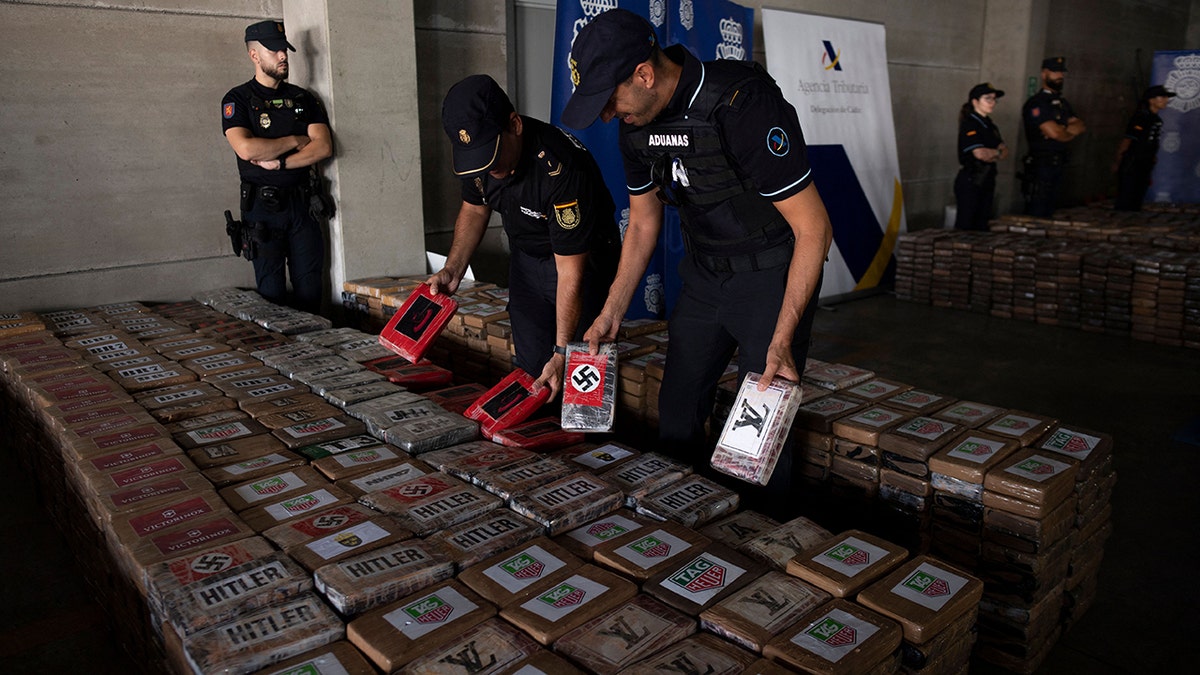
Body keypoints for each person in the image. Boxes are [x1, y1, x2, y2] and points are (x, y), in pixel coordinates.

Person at [563, 9, 832, 518]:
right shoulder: (634, 125)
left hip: (769, 278)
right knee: (678, 412)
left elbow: (814, 228)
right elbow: (643, 223)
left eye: (608, 100)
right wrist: (611, 311)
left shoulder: (742, 105)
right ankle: (680, 536)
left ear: (644, 74)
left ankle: (761, 545)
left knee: (760, 441)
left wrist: (782, 337)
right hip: (706, 276)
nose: (604, 116)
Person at [429, 75, 620, 396]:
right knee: (533, 374)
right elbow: (475, 209)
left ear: (515, 125)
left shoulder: (561, 169)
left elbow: (570, 272)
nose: (488, 169)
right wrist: (453, 269)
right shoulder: (479, 159)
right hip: (527, 261)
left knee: (582, 382)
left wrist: (562, 351)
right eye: (477, 159)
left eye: (492, 155)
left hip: (584, 263)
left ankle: (590, 444)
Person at [221, 20, 332, 313]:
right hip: (262, 208)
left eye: (284, 49)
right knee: (271, 294)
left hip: (303, 204)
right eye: (274, 51)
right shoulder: (238, 99)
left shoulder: (302, 98)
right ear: (254, 55)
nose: (283, 56)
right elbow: (246, 148)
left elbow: (323, 146)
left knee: (310, 290)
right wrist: (297, 139)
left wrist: (280, 161)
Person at [1021, 57, 1086, 217]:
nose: (1060, 76)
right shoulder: (1037, 103)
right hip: (1041, 165)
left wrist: (1064, 131)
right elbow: (1055, 133)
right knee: (1038, 210)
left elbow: (1080, 125)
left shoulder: (1063, 103)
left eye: (1061, 72)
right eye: (1055, 72)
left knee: (1051, 210)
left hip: (1059, 163)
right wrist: (1065, 131)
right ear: (1044, 74)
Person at [1113, 84, 1176, 211]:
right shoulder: (1141, 117)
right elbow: (1129, 139)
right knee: (1128, 191)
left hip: (1146, 160)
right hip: (1133, 159)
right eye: (1162, 97)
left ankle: (1133, 215)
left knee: (1139, 190)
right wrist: (1119, 160)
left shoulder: (1156, 119)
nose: (1166, 100)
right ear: (1151, 100)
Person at [955, 83, 1008, 231]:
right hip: (972, 179)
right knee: (966, 225)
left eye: (994, 99)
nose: (992, 103)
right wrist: (996, 152)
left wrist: (994, 153)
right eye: (988, 99)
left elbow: (1005, 151)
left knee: (982, 225)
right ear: (975, 102)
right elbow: (980, 154)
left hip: (987, 178)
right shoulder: (970, 124)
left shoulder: (990, 125)